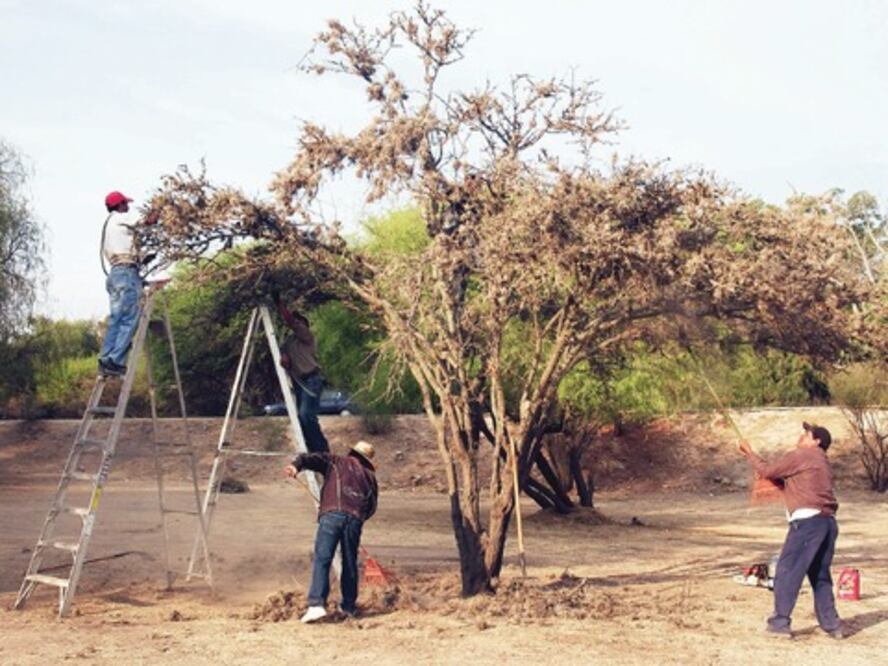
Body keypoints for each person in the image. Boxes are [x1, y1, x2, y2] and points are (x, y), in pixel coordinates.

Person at [739, 422, 843, 639]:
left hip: (807, 523)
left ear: (817, 442)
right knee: (820, 575)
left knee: (787, 572)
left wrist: (749, 452)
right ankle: (832, 625)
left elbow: (768, 470)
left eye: (807, 434)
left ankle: (779, 624)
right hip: (828, 523)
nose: (801, 436)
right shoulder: (822, 461)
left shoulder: (804, 455)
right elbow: (785, 478)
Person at [285, 441, 378, 623]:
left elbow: (308, 458)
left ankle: (316, 604)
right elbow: (372, 506)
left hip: (332, 516)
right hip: (354, 520)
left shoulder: (336, 461)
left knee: (323, 558)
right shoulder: (370, 477)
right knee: (350, 562)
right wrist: (357, 517)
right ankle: (349, 607)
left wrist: (295, 467)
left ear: (352, 452)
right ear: (367, 461)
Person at [97, 191, 156, 377]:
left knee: (116, 319)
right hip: (125, 273)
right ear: (120, 205)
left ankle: (106, 359)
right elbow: (149, 220)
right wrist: (162, 207)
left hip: (115, 274)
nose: (128, 207)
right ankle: (115, 360)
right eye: (126, 204)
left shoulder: (109, 227)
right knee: (130, 318)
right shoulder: (122, 218)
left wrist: (142, 259)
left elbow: (124, 250)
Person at [274, 292, 329, 453]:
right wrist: (284, 357)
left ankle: (322, 450)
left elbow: (290, 321)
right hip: (300, 383)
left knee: (306, 415)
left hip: (312, 380)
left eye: (299, 321)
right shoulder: (290, 342)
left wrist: (280, 305)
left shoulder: (306, 335)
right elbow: (284, 356)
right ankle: (312, 447)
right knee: (301, 417)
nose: (296, 323)